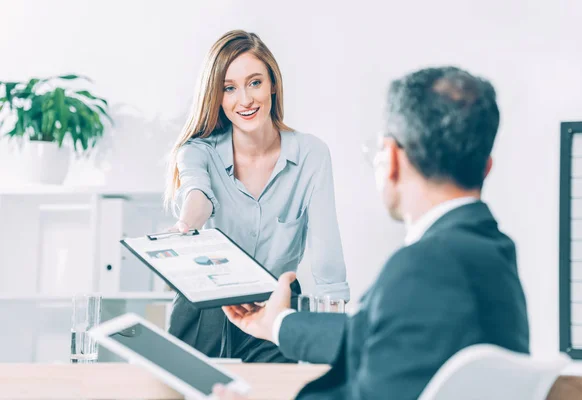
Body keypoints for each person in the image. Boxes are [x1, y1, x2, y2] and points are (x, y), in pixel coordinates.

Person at [213, 66, 530, 399]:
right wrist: (277, 323)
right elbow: (383, 334)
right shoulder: (494, 253)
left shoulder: (421, 266)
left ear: (391, 158)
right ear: (486, 167)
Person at [163, 30, 350, 363]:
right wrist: (185, 224)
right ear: (216, 97)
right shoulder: (197, 152)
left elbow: (327, 260)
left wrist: (334, 339)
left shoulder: (311, 154)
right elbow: (197, 195)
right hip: (205, 308)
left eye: (254, 83)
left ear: (272, 85)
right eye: (229, 88)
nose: (245, 100)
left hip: (273, 308)